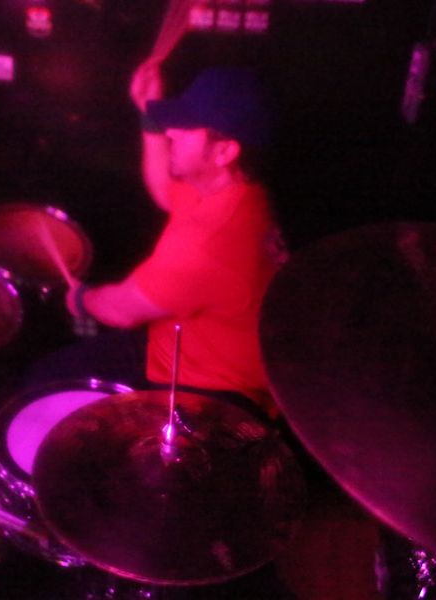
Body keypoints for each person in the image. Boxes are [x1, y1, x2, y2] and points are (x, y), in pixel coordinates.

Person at [65, 62, 284, 415]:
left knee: (45, 383)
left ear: (224, 151)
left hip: (210, 389)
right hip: (177, 349)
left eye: (186, 127)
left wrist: (81, 299)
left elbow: (121, 310)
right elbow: (164, 188)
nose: (170, 132)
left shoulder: (211, 242)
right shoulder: (233, 190)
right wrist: (148, 114)